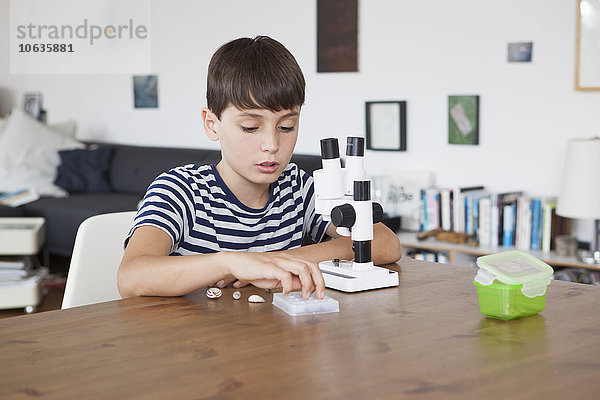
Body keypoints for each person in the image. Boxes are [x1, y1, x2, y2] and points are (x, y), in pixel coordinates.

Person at [117, 36, 402, 300]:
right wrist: (233, 263)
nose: (272, 144)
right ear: (212, 124)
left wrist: (279, 260)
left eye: (286, 126)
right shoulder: (180, 190)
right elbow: (131, 277)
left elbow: (385, 242)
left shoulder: (296, 188)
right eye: (251, 127)